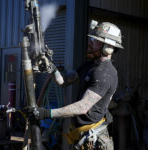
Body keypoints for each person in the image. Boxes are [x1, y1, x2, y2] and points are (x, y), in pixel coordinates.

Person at [29, 21, 124, 150]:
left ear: (107, 47)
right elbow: (63, 81)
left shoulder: (105, 74)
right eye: (91, 38)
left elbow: (82, 107)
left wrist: (46, 113)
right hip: (82, 137)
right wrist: (52, 68)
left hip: (94, 141)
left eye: (94, 40)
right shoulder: (90, 65)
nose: (89, 42)